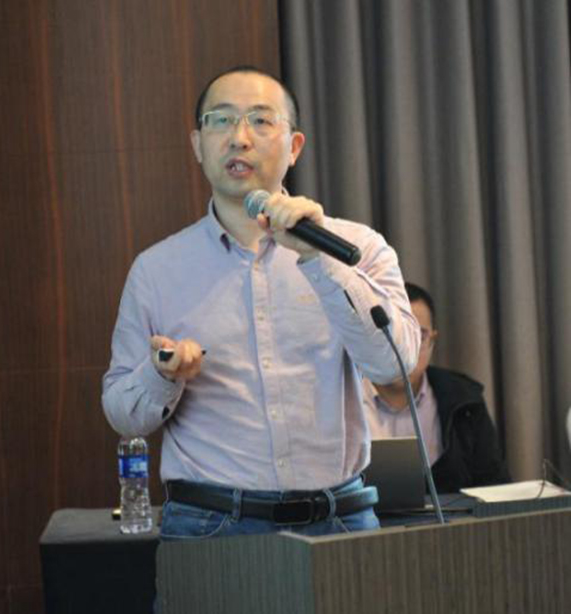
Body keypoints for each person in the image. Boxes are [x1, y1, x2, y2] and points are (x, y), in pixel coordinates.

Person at [102, 65, 420, 539]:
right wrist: (161, 375)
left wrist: (317, 258)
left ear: (294, 147)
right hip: (209, 524)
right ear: (198, 146)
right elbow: (122, 414)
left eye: (261, 120)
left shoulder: (357, 247)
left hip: (340, 518)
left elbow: (394, 364)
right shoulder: (156, 270)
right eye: (221, 120)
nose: (239, 138)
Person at [363, 282, 510, 493]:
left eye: (419, 336)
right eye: (394, 335)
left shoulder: (465, 401)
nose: (405, 349)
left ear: (432, 340)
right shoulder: (340, 400)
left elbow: (495, 487)